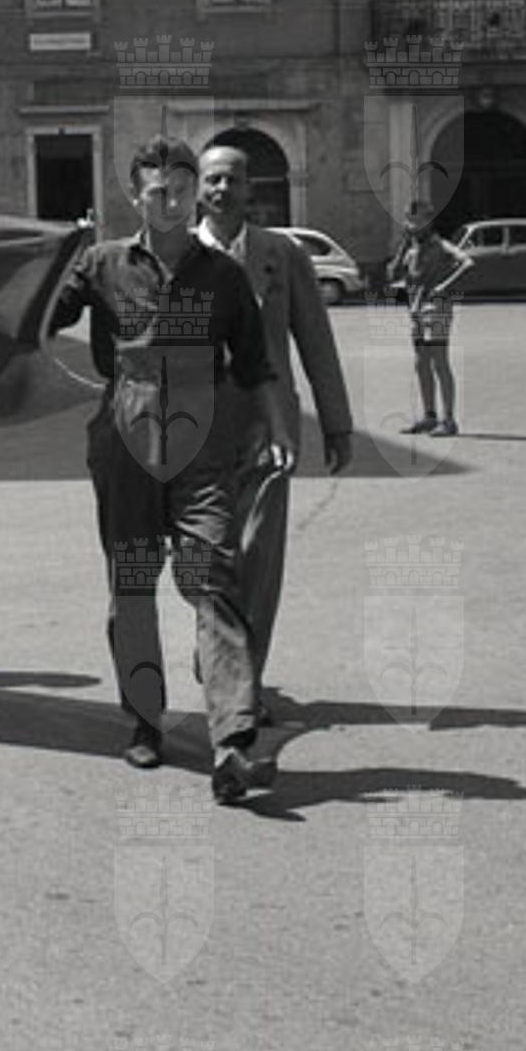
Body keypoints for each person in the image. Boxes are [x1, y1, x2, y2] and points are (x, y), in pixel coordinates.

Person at [49, 136, 293, 804]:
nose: (173, 201)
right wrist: (47, 257)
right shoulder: (102, 263)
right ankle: (143, 720)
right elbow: (38, 313)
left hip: (201, 437)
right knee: (132, 581)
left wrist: (276, 427)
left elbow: (254, 364)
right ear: (135, 196)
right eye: (159, 190)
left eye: (183, 189)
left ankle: (233, 742)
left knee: (212, 576)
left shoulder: (224, 277)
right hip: (125, 431)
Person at [195, 147, 353, 718]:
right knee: (206, 555)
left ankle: (244, 683)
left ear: (249, 189)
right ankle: (218, 650)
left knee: (258, 558)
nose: (222, 188)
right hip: (196, 432)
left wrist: (337, 424)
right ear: (197, 189)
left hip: (270, 428)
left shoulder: (282, 255)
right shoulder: (177, 257)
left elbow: (316, 341)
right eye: (213, 179)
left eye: (233, 179)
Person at [389, 213, 471, 436]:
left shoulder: (441, 246)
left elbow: (467, 263)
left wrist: (445, 286)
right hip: (416, 309)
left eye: (416, 224)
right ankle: (429, 416)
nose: (412, 228)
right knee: (421, 363)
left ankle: (449, 420)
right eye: (409, 224)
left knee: (439, 362)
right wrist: (403, 246)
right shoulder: (411, 250)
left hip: (438, 307)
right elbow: (393, 274)